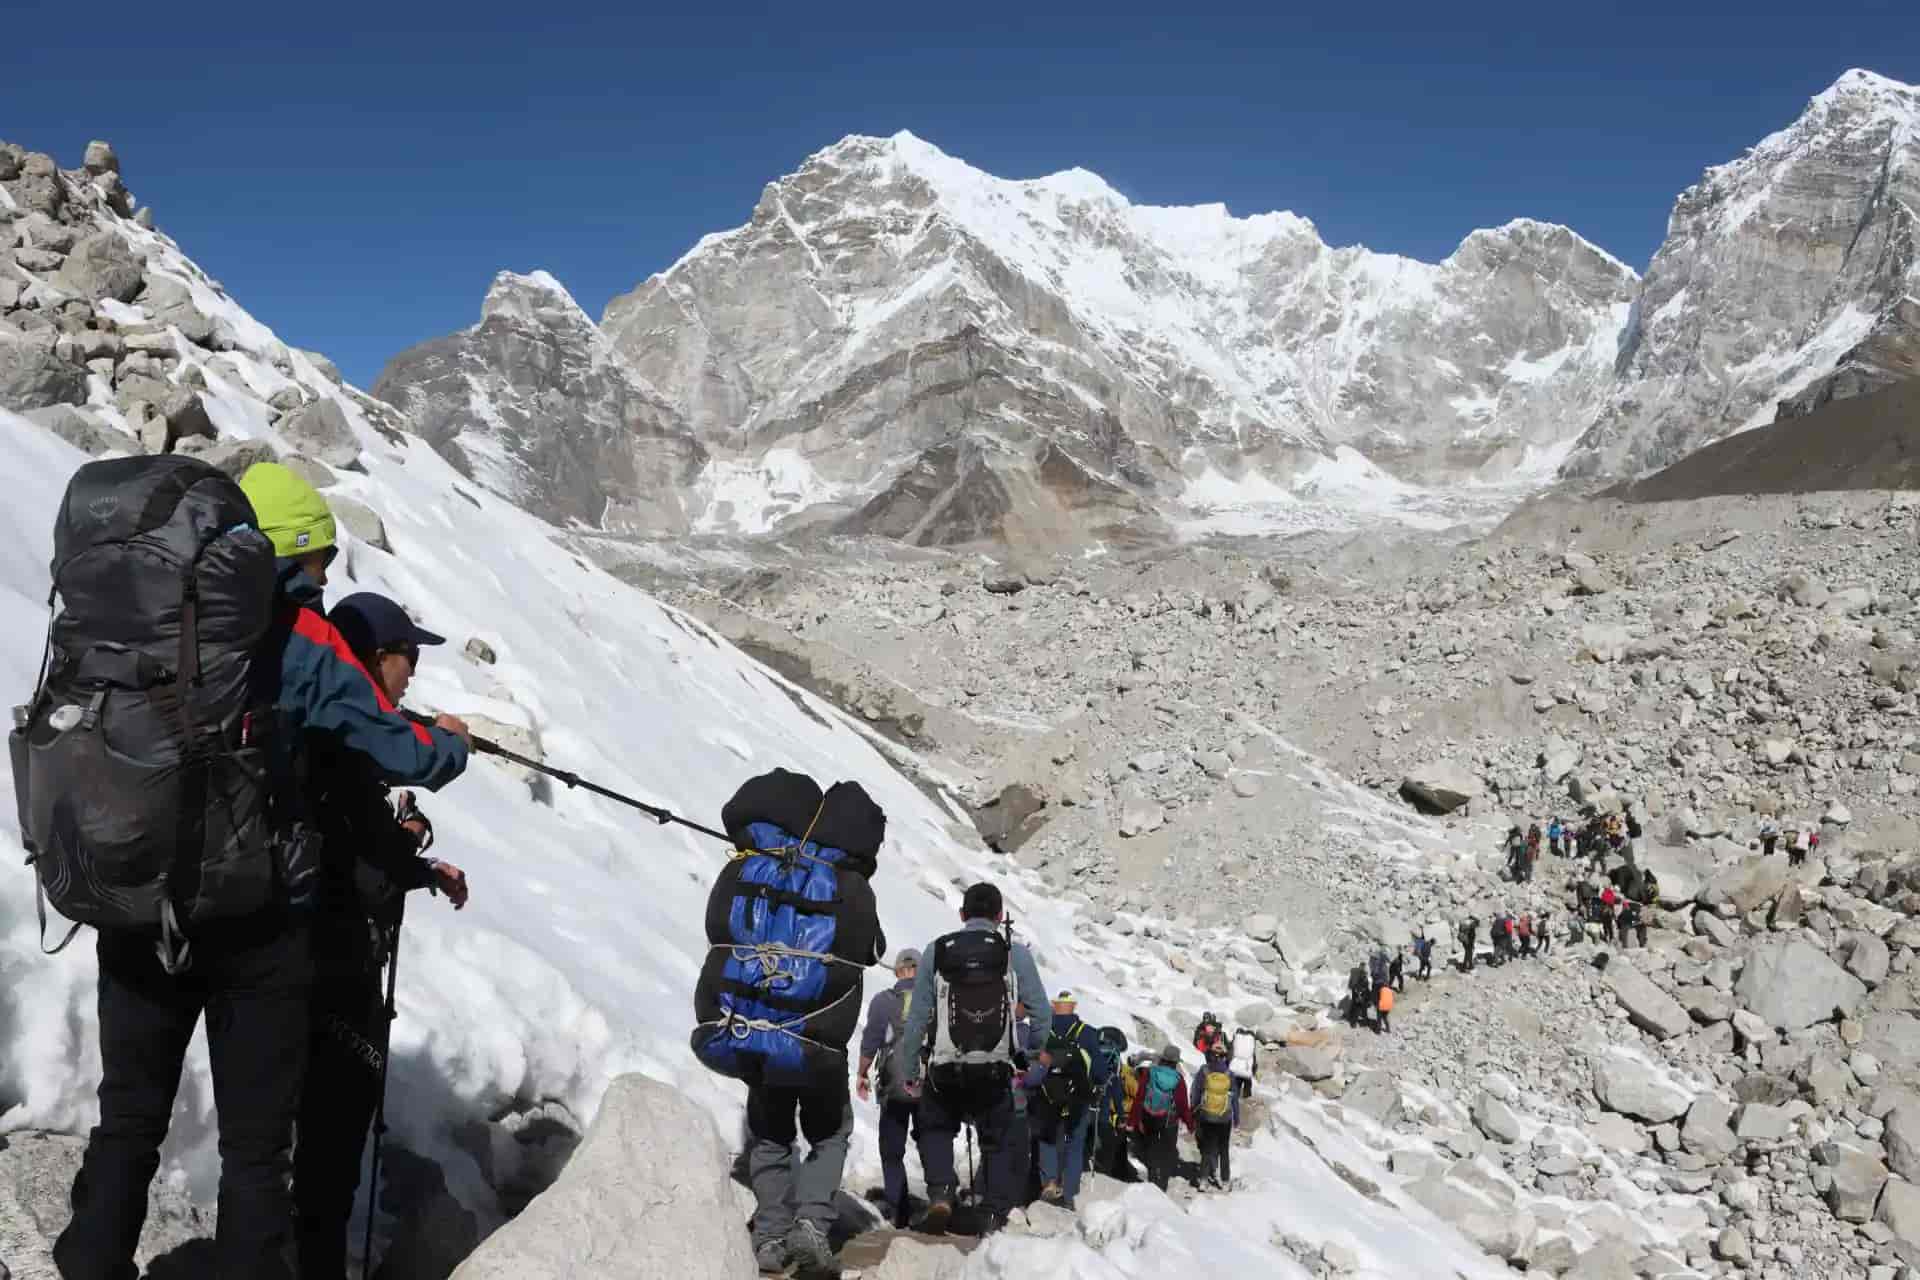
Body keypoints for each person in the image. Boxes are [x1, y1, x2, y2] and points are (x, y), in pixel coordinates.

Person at [53, 462, 472, 1280]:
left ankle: (90, 1262)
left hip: (134, 892)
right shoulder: (296, 631)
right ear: (297, 555)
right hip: (256, 918)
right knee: (256, 1148)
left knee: (129, 1116)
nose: (322, 582)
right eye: (320, 563)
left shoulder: (125, 614)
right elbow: (400, 747)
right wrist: (451, 741)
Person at [295, 592, 475, 1280]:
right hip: (337, 964)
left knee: (303, 1135)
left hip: (296, 957)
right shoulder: (353, 733)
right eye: (408, 658)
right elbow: (356, 866)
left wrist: (417, 866)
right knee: (334, 1136)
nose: (414, 674)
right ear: (377, 658)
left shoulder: (316, 717)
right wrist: (403, 851)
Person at [896, 882, 1047, 1236]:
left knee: (934, 1127)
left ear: (962, 915)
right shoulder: (1014, 954)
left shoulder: (938, 950)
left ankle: (941, 1194)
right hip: (994, 1068)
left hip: (945, 1067)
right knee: (997, 1137)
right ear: (999, 916)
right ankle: (992, 1212)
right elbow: (1042, 1012)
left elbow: (917, 1017)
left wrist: (910, 1069)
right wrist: (1028, 1054)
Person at [857, 949, 923, 1228]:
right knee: (932, 1141)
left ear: (897, 972)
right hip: (928, 1086)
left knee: (892, 1149)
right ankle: (941, 1199)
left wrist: (861, 1073)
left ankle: (898, 1208)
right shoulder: (932, 1000)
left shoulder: (883, 1001)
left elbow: (871, 1040)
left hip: (893, 1085)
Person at [1045, 992, 1104, 1206]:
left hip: (1048, 1095)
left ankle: (1049, 1181)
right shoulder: (1087, 1033)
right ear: (1074, 1006)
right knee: (1075, 1144)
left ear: (1054, 1005)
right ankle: (1070, 1194)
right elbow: (1099, 1070)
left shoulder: (1044, 1029)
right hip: (1079, 1097)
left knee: (1049, 1139)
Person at [1128, 1046, 1194, 1191]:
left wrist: (1132, 1121)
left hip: (1149, 1117)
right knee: (1168, 1152)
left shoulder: (1150, 1073)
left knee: (1151, 1148)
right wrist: (1190, 1124)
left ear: (1162, 1059)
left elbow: (1140, 1098)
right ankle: (1162, 1184)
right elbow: (1183, 1105)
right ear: (1176, 1062)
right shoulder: (1178, 1079)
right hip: (1169, 1121)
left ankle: (1152, 1179)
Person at [1191, 1045, 1238, 1188]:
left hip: (1207, 1115)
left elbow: (1196, 1092)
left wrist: (1194, 1110)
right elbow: (1234, 1097)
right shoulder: (1229, 1074)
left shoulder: (1204, 1071)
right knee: (1224, 1149)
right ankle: (1224, 1180)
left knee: (1207, 1147)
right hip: (1224, 1117)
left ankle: (1203, 1180)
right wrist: (1236, 1118)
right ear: (1225, 1056)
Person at [1227, 1023, 1259, 1106]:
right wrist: (1254, 1070)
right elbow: (1253, 1058)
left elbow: (1230, 1054)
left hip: (1236, 1068)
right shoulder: (1250, 1044)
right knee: (1247, 1086)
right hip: (1247, 1068)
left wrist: (1228, 1065)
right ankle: (1247, 1103)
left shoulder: (1236, 1042)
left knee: (1236, 1086)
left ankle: (1234, 1103)